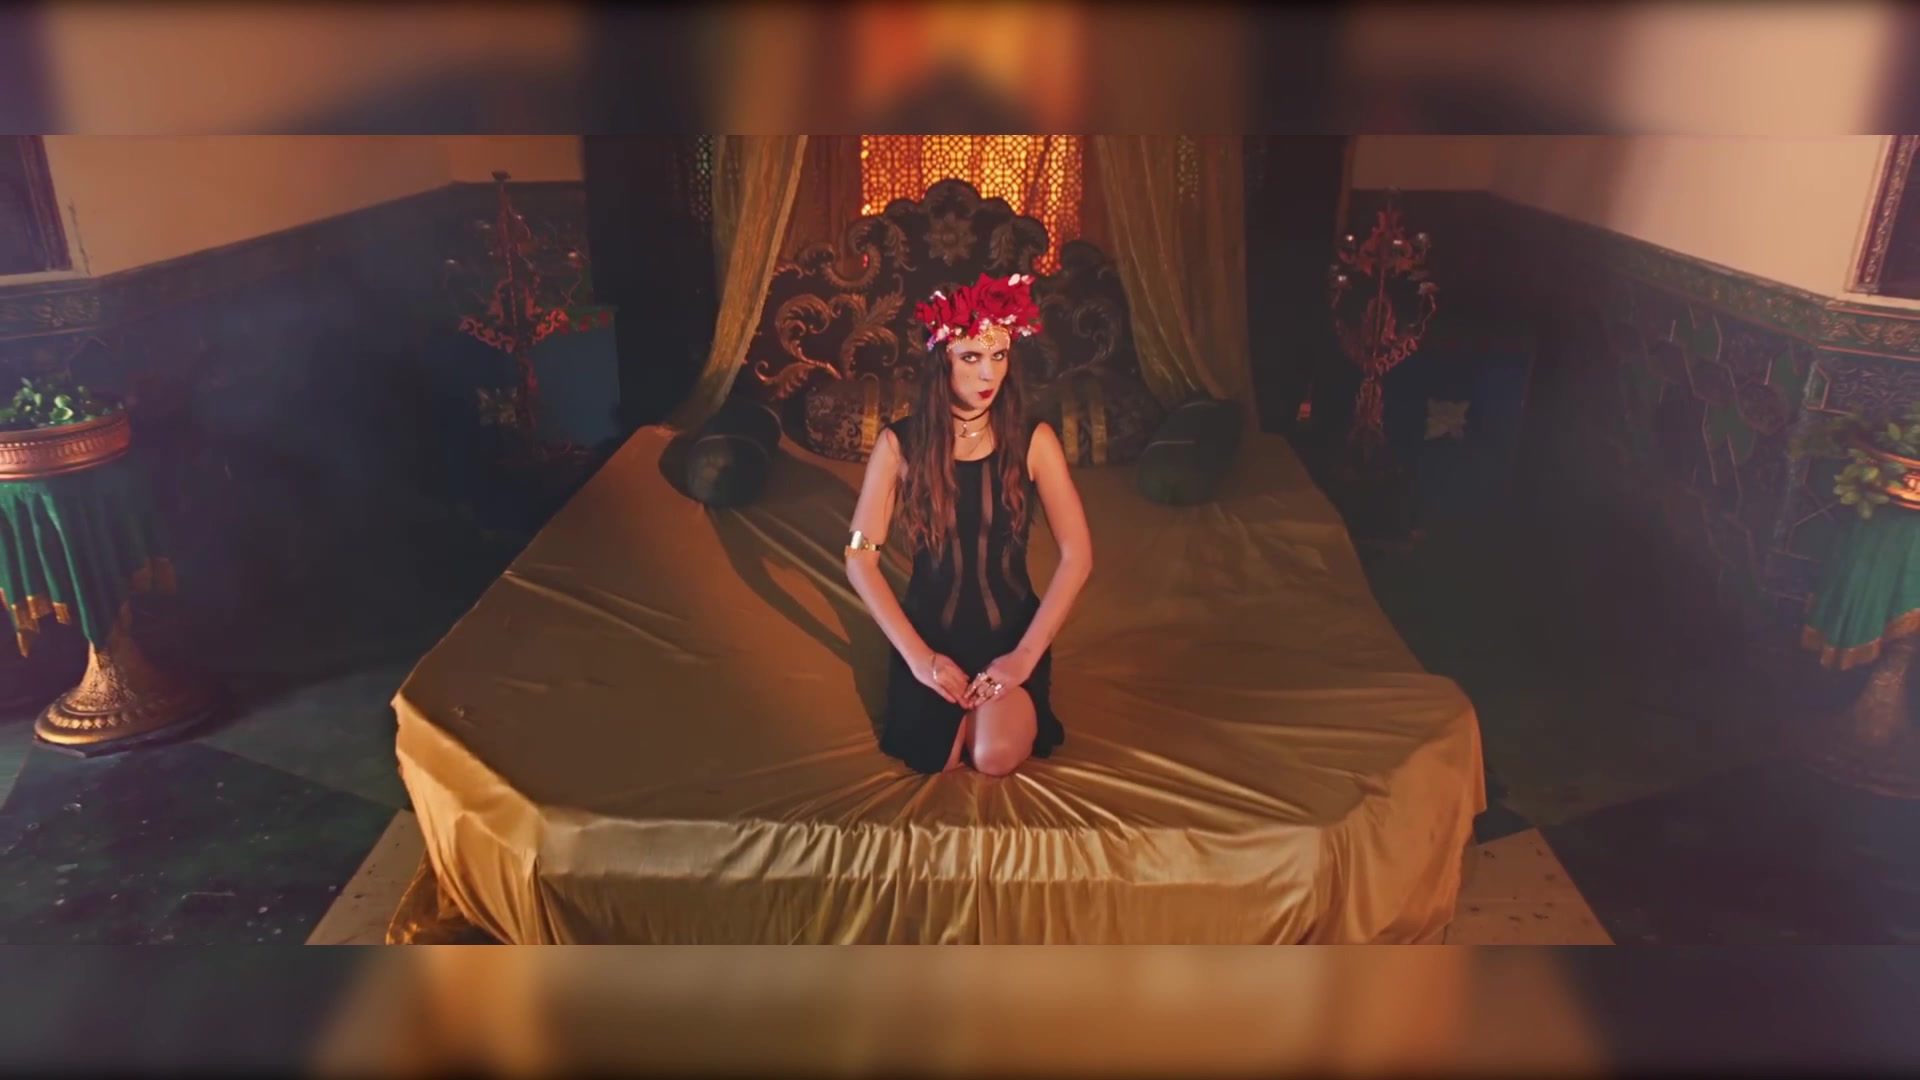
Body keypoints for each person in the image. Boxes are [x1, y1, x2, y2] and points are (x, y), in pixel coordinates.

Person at [843, 272, 1094, 776]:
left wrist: (1024, 657)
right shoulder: (898, 444)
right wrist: (919, 658)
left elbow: (1078, 556)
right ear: (943, 361)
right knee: (936, 758)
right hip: (929, 639)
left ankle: (1005, 705)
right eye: (971, 357)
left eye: (998, 356)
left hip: (1012, 637)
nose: (988, 374)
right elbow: (859, 558)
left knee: (991, 755)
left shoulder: (1034, 440)